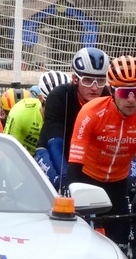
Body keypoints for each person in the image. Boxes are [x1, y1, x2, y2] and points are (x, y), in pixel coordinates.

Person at [65, 56, 136, 249]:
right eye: (126, 92)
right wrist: (72, 199)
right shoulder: (90, 112)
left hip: (118, 183)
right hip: (86, 178)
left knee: (120, 245)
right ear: (111, 91)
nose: (132, 99)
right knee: (79, 242)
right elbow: (75, 162)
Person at [36, 47, 110, 186]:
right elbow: (55, 144)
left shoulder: (108, 98)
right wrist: (68, 178)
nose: (94, 88)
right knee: (63, 183)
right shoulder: (58, 96)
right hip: (53, 149)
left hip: (88, 155)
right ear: (75, 79)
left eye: (100, 81)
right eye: (88, 80)